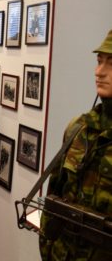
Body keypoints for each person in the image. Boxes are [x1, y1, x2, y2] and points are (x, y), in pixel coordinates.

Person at [39, 29, 112, 260]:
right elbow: (54, 194)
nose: (99, 72)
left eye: (111, 63)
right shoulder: (79, 128)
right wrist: (47, 248)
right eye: (99, 61)